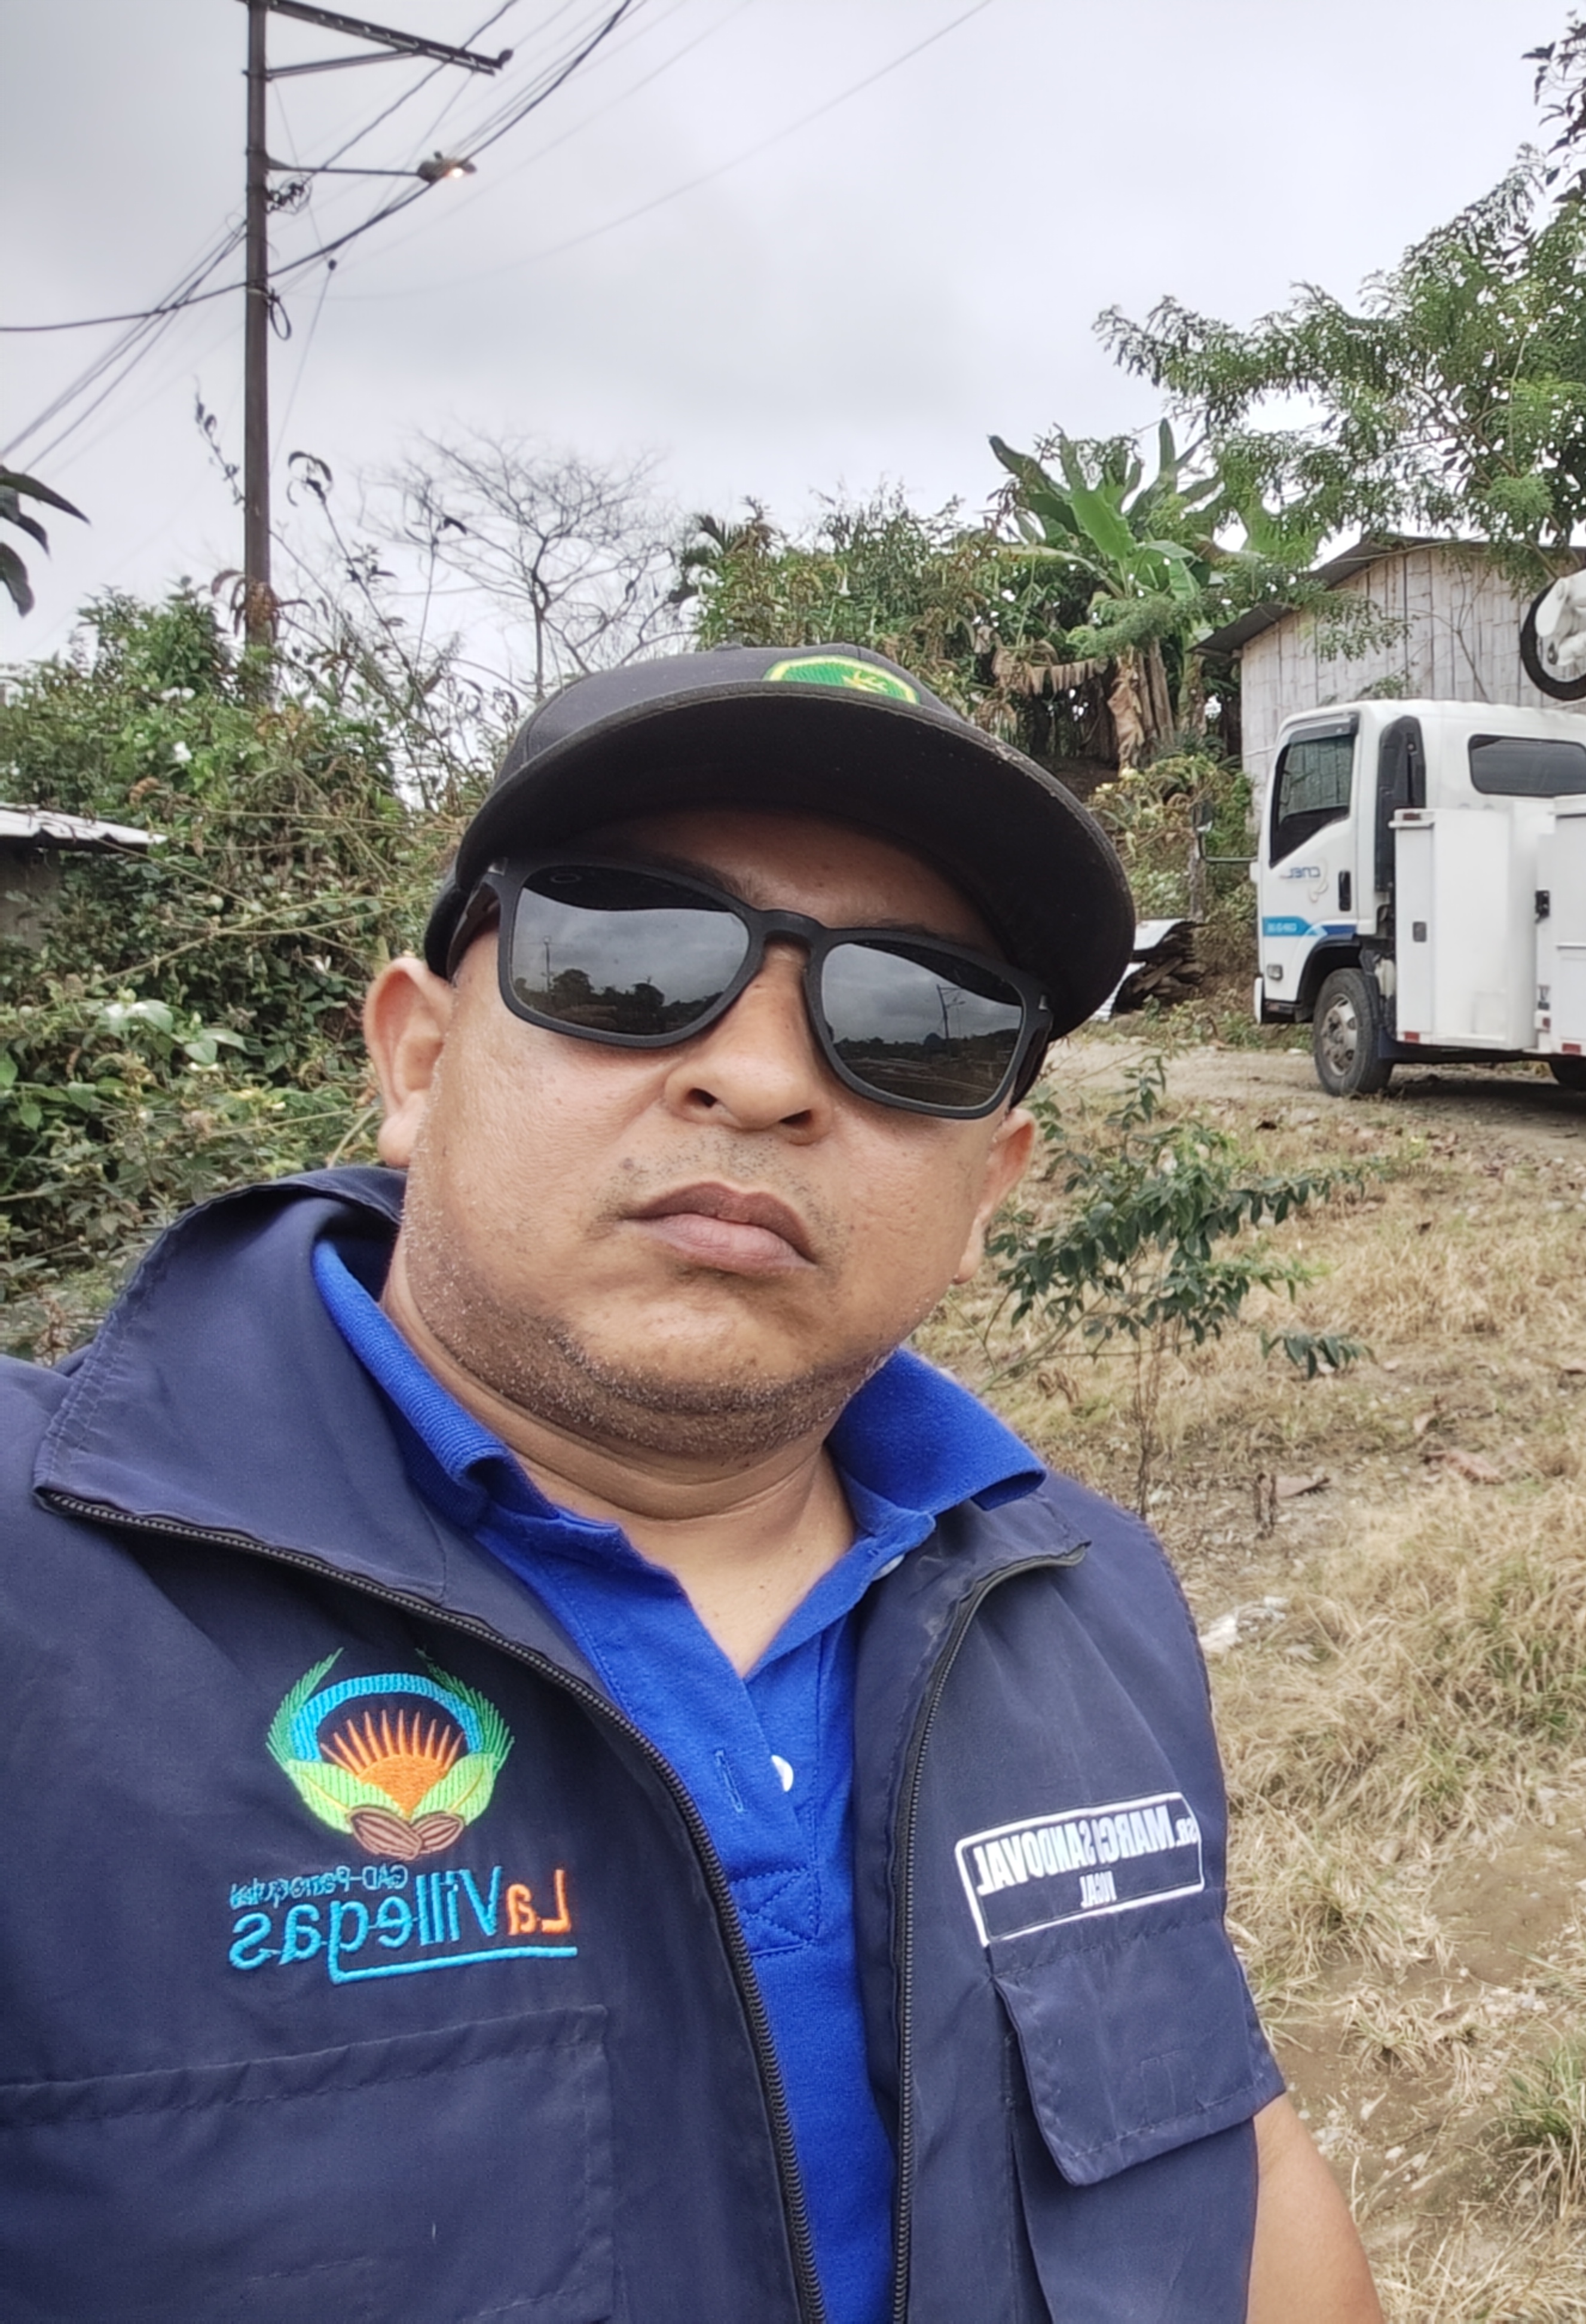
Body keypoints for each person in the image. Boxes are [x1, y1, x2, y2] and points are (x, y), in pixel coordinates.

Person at [0, 646, 1383, 2323]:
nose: (765, 1078)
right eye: (629, 959)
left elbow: (1242, 2169)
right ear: (416, 1059)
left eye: (915, 1021)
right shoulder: (43, 1594)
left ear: (989, 1191)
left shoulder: (1086, 1601)